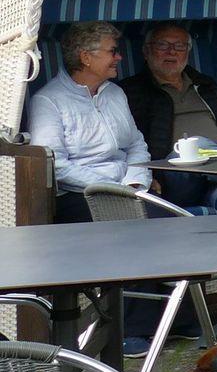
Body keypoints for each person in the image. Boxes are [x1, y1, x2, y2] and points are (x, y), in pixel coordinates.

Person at [24, 22, 151, 224]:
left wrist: (135, 182)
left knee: (169, 221)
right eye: (112, 51)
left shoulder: (115, 93)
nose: (119, 57)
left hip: (128, 189)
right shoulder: (48, 100)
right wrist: (111, 188)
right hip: (80, 194)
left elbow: (136, 144)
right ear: (86, 58)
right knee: (137, 225)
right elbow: (55, 164)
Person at [119, 22, 217, 216]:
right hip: (173, 180)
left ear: (187, 52)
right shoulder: (130, 91)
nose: (172, 52)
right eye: (163, 45)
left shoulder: (205, 85)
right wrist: (144, 177)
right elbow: (126, 144)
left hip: (214, 180)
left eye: (179, 46)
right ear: (146, 51)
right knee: (194, 146)